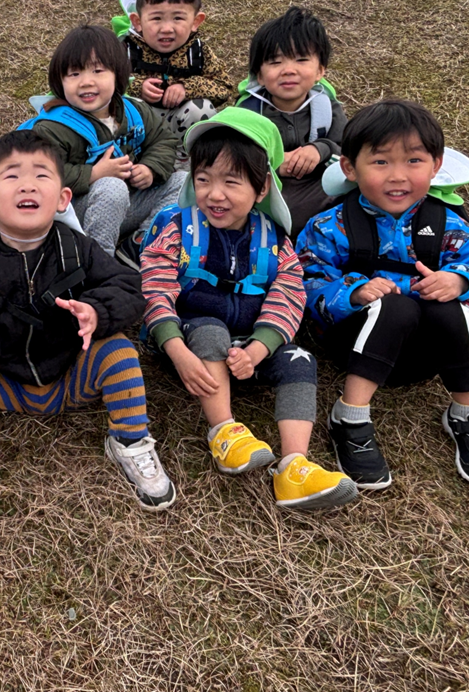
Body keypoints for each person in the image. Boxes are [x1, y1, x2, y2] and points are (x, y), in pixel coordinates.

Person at [0, 130, 174, 528]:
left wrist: (96, 312)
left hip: (72, 378)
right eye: (12, 176)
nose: (28, 185)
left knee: (118, 349)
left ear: (62, 198)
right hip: (1, 382)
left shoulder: (79, 248)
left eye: (41, 175)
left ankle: (129, 438)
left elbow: (128, 287)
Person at [139, 110, 357, 510]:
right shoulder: (177, 227)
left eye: (231, 182)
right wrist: (176, 349)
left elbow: (289, 295)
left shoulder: (275, 240)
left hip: (249, 348)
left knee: (300, 360)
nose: (214, 194)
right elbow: (155, 287)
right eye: (203, 179)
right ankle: (224, 431)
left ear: (262, 188)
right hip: (188, 343)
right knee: (210, 329)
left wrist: (259, 348)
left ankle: (294, 466)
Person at [298, 100, 469, 490]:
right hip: (353, 345)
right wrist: (353, 292)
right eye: (380, 162)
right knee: (394, 307)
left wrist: (462, 282)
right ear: (349, 168)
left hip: (426, 357)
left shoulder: (451, 228)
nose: (397, 176)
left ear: (436, 165)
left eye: (414, 161)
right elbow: (303, 286)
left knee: (447, 307)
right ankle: (350, 416)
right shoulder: (329, 226)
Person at [19, 24, 185, 260]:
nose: (86, 82)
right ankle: (98, 261)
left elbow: (164, 140)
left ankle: (141, 244)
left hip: (127, 205)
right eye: (74, 74)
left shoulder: (134, 111)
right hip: (76, 215)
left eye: (98, 71)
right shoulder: (52, 127)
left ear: (118, 74)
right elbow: (40, 175)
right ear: (59, 81)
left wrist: (150, 168)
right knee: (111, 187)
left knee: (183, 181)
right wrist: (93, 174)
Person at [236, 7, 346, 237]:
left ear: (320, 70)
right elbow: (233, 158)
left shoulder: (327, 108)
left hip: (319, 188)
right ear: (259, 75)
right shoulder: (247, 112)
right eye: (275, 62)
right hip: (266, 192)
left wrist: (320, 149)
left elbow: (349, 152)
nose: (288, 70)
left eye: (301, 60)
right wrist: (271, 163)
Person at [115, 0, 236, 154]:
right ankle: (133, 160)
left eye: (178, 18)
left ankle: (187, 161)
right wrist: (138, 87)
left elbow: (224, 87)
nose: (166, 28)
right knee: (122, 108)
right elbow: (105, 85)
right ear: (137, 21)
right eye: (156, 18)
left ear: (195, 21)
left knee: (201, 108)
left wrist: (186, 88)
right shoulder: (124, 49)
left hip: (178, 122)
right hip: (139, 127)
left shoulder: (198, 51)